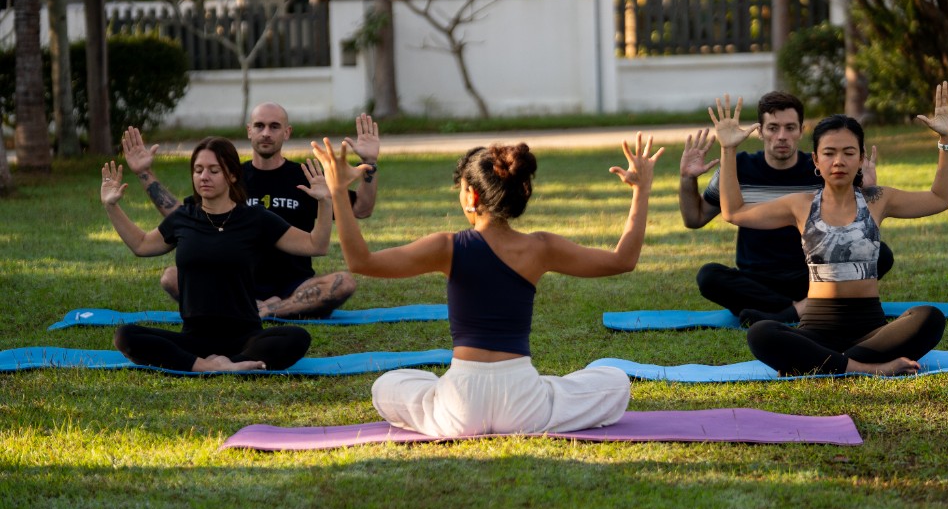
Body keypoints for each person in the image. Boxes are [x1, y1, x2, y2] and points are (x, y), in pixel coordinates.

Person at [312, 133, 664, 438]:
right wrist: (641, 190)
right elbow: (623, 260)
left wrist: (339, 192)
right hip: (525, 404)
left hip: (459, 406)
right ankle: (541, 394)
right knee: (614, 380)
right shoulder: (541, 248)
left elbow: (361, 262)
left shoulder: (448, 247)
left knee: (387, 385)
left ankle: (445, 398)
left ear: (472, 197)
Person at [708, 83, 948, 376]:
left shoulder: (877, 199)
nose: (839, 161)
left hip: (871, 331)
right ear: (816, 159)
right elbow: (734, 212)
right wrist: (728, 149)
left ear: (860, 158)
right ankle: (866, 367)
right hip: (816, 329)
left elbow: (940, 198)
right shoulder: (800, 204)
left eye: (848, 152)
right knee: (761, 333)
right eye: (829, 153)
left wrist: (947, 139)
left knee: (930, 317)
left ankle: (823, 363)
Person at [121, 105, 380, 318]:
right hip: (235, 282)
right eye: (259, 126)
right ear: (249, 131)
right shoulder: (230, 176)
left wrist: (369, 162)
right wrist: (144, 173)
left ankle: (271, 309)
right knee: (172, 277)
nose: (266, 133)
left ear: (287, 132)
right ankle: (258, 307)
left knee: (343, 283)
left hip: (294, 285)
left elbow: (362, 209)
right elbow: (183, 218)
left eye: (274, 126)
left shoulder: (306, 177)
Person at [102, 137, 331, 372]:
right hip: (194, 339)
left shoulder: (256, 218)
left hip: (245, 337)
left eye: (214, 171)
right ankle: (209, 365)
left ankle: (227, 363)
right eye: (198, 170)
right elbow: (141, 245)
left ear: (232, 175)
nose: (204, 177)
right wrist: (111, 206)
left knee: (297, 337)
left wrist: (324, 201)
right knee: (126, 335)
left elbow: (316, 245)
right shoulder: (183, 217)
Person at [678, 91, 894, 325]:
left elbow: (855, 232)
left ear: (801, 130)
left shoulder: (823, 169)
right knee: (709, 276)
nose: (782, 136)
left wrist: (866, 192)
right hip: (757, 280)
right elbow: (694, 218)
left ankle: (782, 312)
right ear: (760, 131)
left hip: (815, 275)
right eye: (773, 128)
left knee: (881, 254)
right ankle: (800, 308)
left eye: (790, 128)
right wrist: (687, 179)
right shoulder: (737, 168)